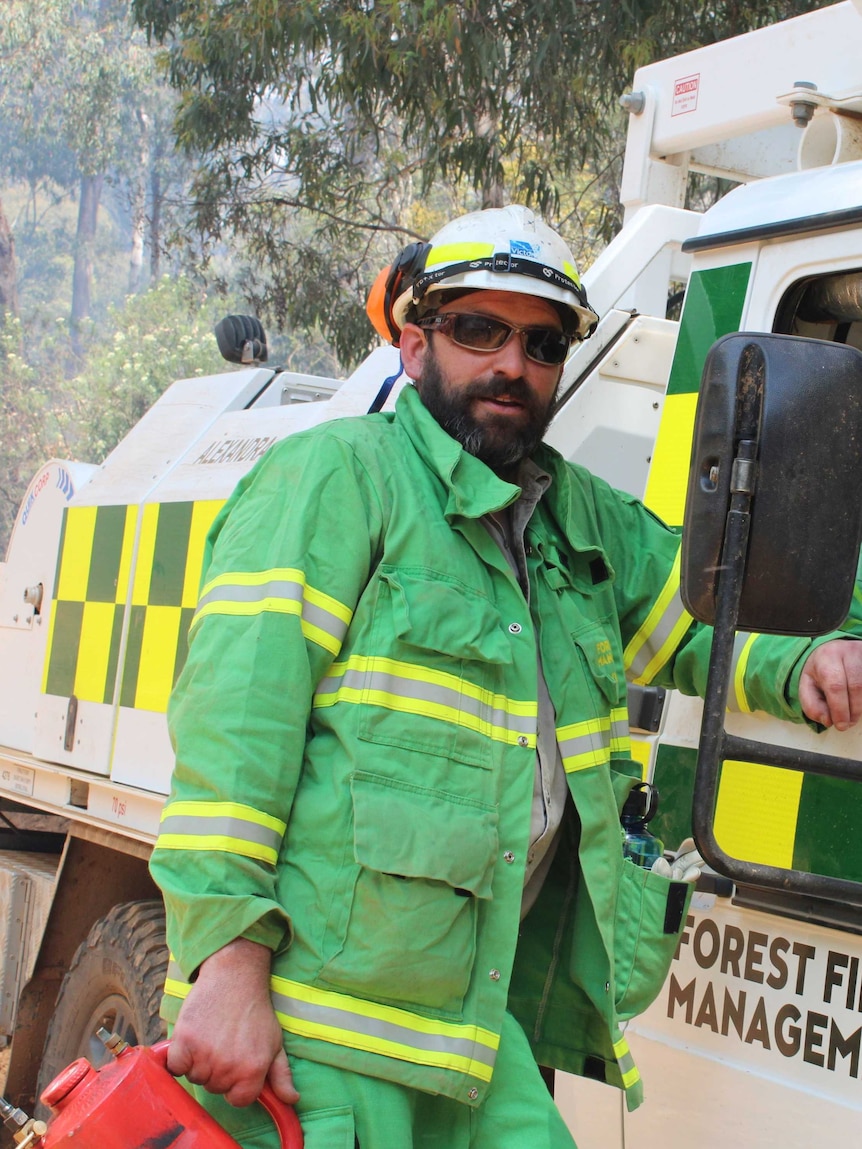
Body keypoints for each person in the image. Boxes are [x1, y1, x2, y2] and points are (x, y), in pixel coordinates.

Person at [149, 205, 862, 1149]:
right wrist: (228, 966)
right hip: (313, 1024)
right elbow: (235, 741)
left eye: (540, 341)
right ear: (414, 343)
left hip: (474, 1038)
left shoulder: (581, 519)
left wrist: (811, 656)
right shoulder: (332, 479)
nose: (512, 365)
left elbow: (702, 621)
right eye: (478, 329)